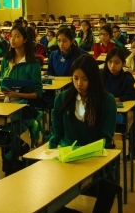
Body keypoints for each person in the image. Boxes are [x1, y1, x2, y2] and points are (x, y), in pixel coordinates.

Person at [49, 54, 118, 213]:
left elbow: (105, 138)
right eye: (75, 78)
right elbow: (57, 133)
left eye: (85, 79)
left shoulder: (106, 101)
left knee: (109, 189)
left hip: (93, 160)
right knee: (45, 193)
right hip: (67, 159)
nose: (79, 83)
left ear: (93, 78)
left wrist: (91, 169)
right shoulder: (62, 99)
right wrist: (51, 153)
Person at [0, 25, 43, 150]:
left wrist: (17, 95)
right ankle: (13, 155)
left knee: (10, 130)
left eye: (17, 36)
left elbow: (38, 93)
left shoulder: (33, 64)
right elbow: (0, 83)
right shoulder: (6, 60)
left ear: (25, 40)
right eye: (11, 36)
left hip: (25, 107)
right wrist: (2, 88)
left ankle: (15, 154)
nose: (12, 39)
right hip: (7, 105)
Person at [100, 48, 135, 160]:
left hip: (120, 113)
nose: (112, 66)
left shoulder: (127, 78)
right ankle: (104, 146)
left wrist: (114, 100)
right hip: (102, 111)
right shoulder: (101, 75)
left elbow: (132, 96)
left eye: (117, 62)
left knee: (127, 122)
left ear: (123, 63)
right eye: (110, 62)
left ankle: (132, 150)